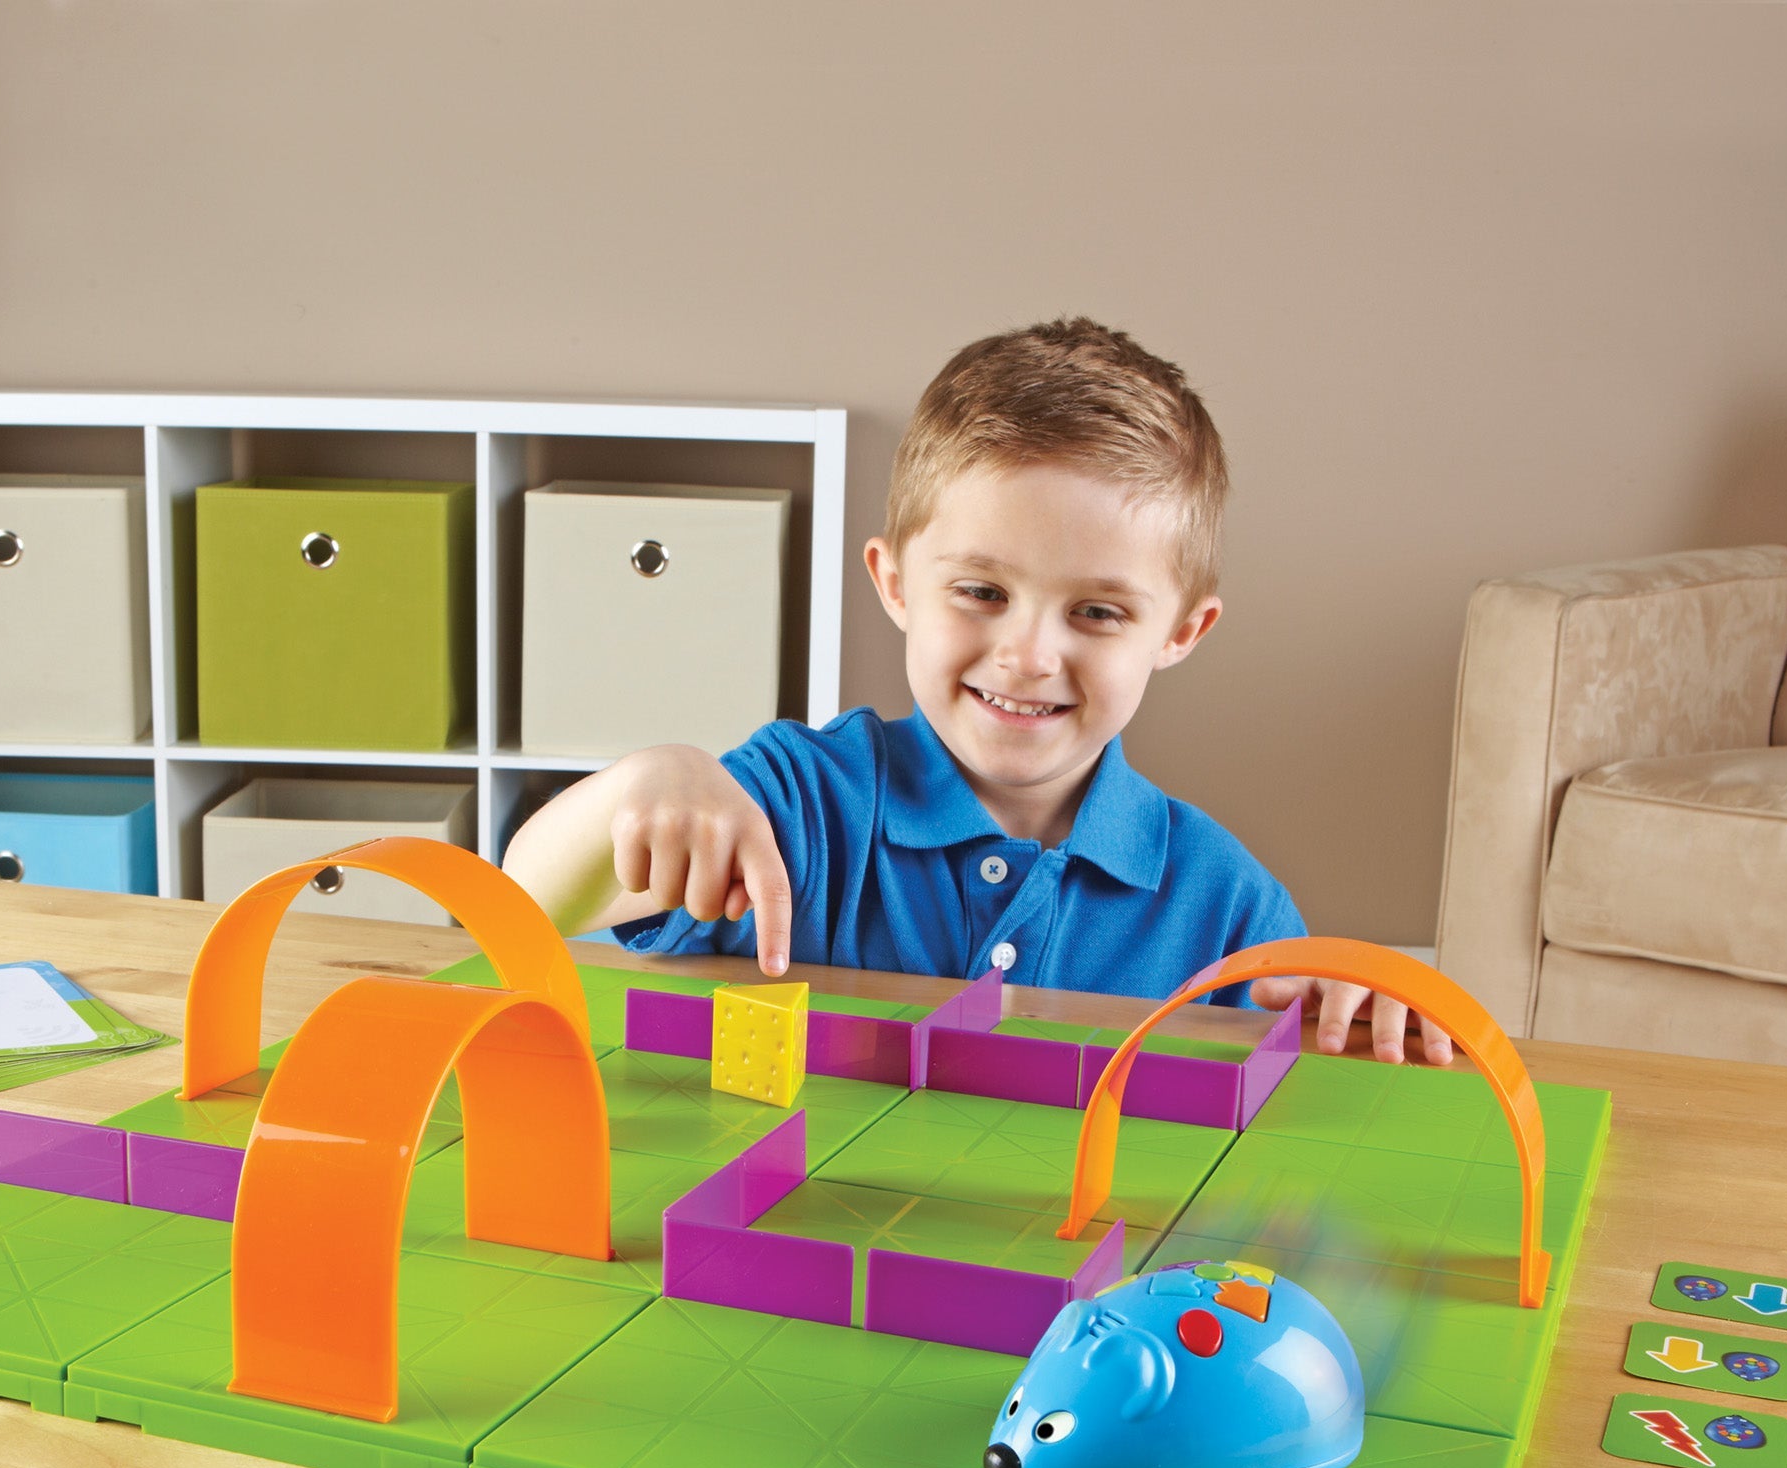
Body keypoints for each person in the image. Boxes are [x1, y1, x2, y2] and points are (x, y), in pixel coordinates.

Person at [503, 317, 1450, 1064]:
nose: (1029, 654)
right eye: (983, 593)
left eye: (1098, 613)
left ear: (1182, 632)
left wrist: (1358, 1024)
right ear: (895, 583)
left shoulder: (1227, 909)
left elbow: (1287, 1111)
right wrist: (650, 784)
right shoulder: (797, 804)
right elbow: (522, 906)